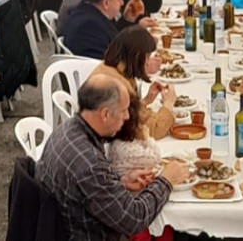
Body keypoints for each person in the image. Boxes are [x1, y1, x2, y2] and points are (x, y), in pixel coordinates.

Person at [36, 75, 188, 241]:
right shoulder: (89, 164)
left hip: (64, 224)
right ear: (105, 114)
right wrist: (166, 180)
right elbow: (134, 219)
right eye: (123, 111)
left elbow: (83, 190)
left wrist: (119, 181)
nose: (127, 117)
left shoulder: (67, 128)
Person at [92, 26, 176, 141]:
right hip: (109, 145)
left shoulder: (110, 68)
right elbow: (153, 130)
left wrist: (145, 101)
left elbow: (129, 115)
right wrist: (168, 104)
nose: (147, 62)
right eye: (146, 57)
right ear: (136, 57)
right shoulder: (120, 86)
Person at [63, 0, 145, 59]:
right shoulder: (90, 27)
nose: (122, 3)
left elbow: (112, 35)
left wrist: (126, 20)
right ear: (106, 3)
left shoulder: (85, 10)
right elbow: (111, 59)